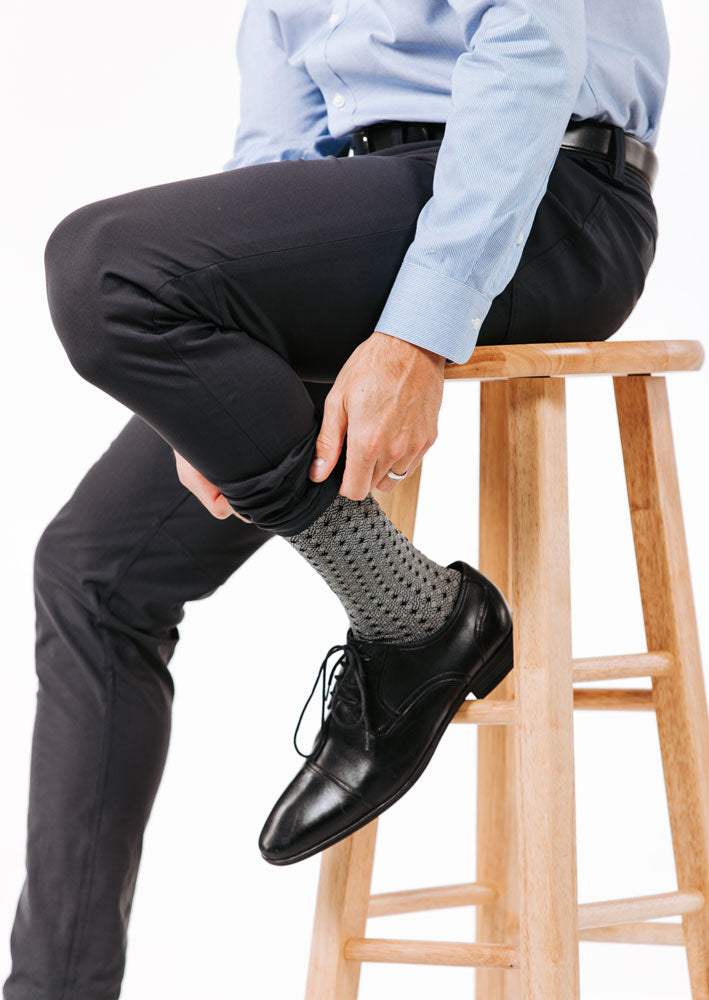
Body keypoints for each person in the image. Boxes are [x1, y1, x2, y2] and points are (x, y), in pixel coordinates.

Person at [3, 0, 668, 995]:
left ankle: (416, 620)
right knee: (93, 571)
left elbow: (531, 48)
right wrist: (204, 384)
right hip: (363, 208)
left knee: (101, 268)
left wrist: (421, 328)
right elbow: (275, 150)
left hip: (545, 196)